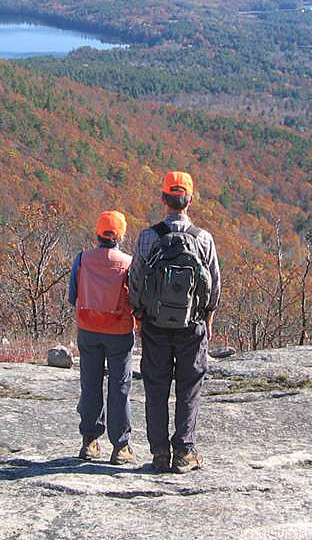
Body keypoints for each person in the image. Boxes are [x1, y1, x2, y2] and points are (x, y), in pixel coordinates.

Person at [129, 170, 221, 474]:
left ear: (163, 198)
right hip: (192, 325)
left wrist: (139, 315)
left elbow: (136, 279)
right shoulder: (203, 239)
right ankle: (184, 452)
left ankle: (158, 454)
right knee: (189, 386)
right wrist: (207, 317)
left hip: (155, 324)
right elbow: (214, 285)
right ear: (190, 200)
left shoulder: (147, 237)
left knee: (156, 388)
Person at [68, 210, 136, 465]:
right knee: (119, 387)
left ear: (98, 232)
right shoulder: (128, 262)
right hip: (118, 331)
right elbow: (135, 298)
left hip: (88, 328)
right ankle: (120, 446)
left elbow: (72, 296)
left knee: (90, 383)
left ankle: (89, 442)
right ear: (121, 233)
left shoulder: (82, 259)